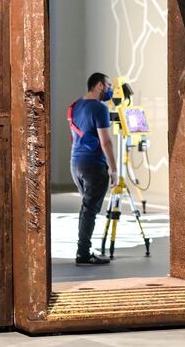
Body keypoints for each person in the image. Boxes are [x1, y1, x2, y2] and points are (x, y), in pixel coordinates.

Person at [68, 72, 119, 265]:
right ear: (99, 85)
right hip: (93, 165)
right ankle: (83, 253)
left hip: (76, 163)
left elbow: (74, 138)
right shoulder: (99, 108)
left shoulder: (75, 105)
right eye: (107, 85)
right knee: (89, 210)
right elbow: (106, 142)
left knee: (86, 208)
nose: (109, 89)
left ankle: (83, 249)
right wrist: (114, 169)